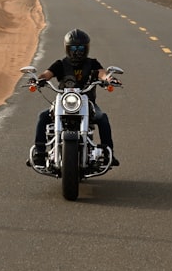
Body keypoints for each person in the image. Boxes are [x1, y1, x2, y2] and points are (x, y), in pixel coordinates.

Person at [31, 28, 119, 167]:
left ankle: (108, 154)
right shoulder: (60, 64)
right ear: (67, 48)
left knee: (102, 118)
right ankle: (40, 154)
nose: (77, 51)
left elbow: (102, 73)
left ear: (86, 48)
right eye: (73, 47)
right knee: (43, 117)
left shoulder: (92, 64)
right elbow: (47, 74)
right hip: (63, 103)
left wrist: (109, 78)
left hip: (87, 103)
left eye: (80, 47)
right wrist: (37, 80)